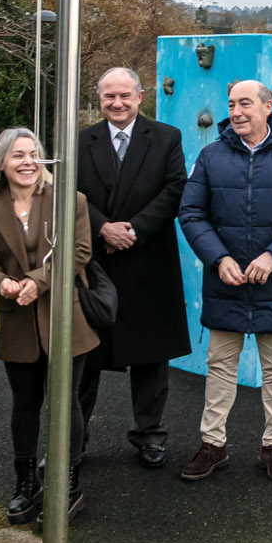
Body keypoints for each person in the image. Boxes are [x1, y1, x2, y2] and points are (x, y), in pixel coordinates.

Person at [176, 79, 272, 484]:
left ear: (266, 108)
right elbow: (191, 214)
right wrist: (218, 257)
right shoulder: (210, 157)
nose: (236, 112)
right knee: (220, 364)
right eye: (231, 104)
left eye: (245, 104)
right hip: (226, 280)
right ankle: (213, 444)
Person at [0, 129, 97, 523]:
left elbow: (80, 252)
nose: (27, 162)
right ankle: (25, 483)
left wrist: (36, 282)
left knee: (66, 401)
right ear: (2, 164)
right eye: (17, 155)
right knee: (25, 404)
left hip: (64, 317)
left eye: (34, 154)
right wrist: (1, 282)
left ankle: (69, 485)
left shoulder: (69, 200)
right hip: (17, 320)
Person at [76, 67, 188, 471]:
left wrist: (134, 230)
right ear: (99, 98)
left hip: (148, 261)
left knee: (150, 358)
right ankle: (74, 441)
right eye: (109, 97)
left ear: (141, 96)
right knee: (83, 355)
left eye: (125, 96)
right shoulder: (80, 140)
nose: (117, 104)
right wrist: (101, 226)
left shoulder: (166, 137)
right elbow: (67, 191)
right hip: (95, 261)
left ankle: (150, 436)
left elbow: (176, 189)